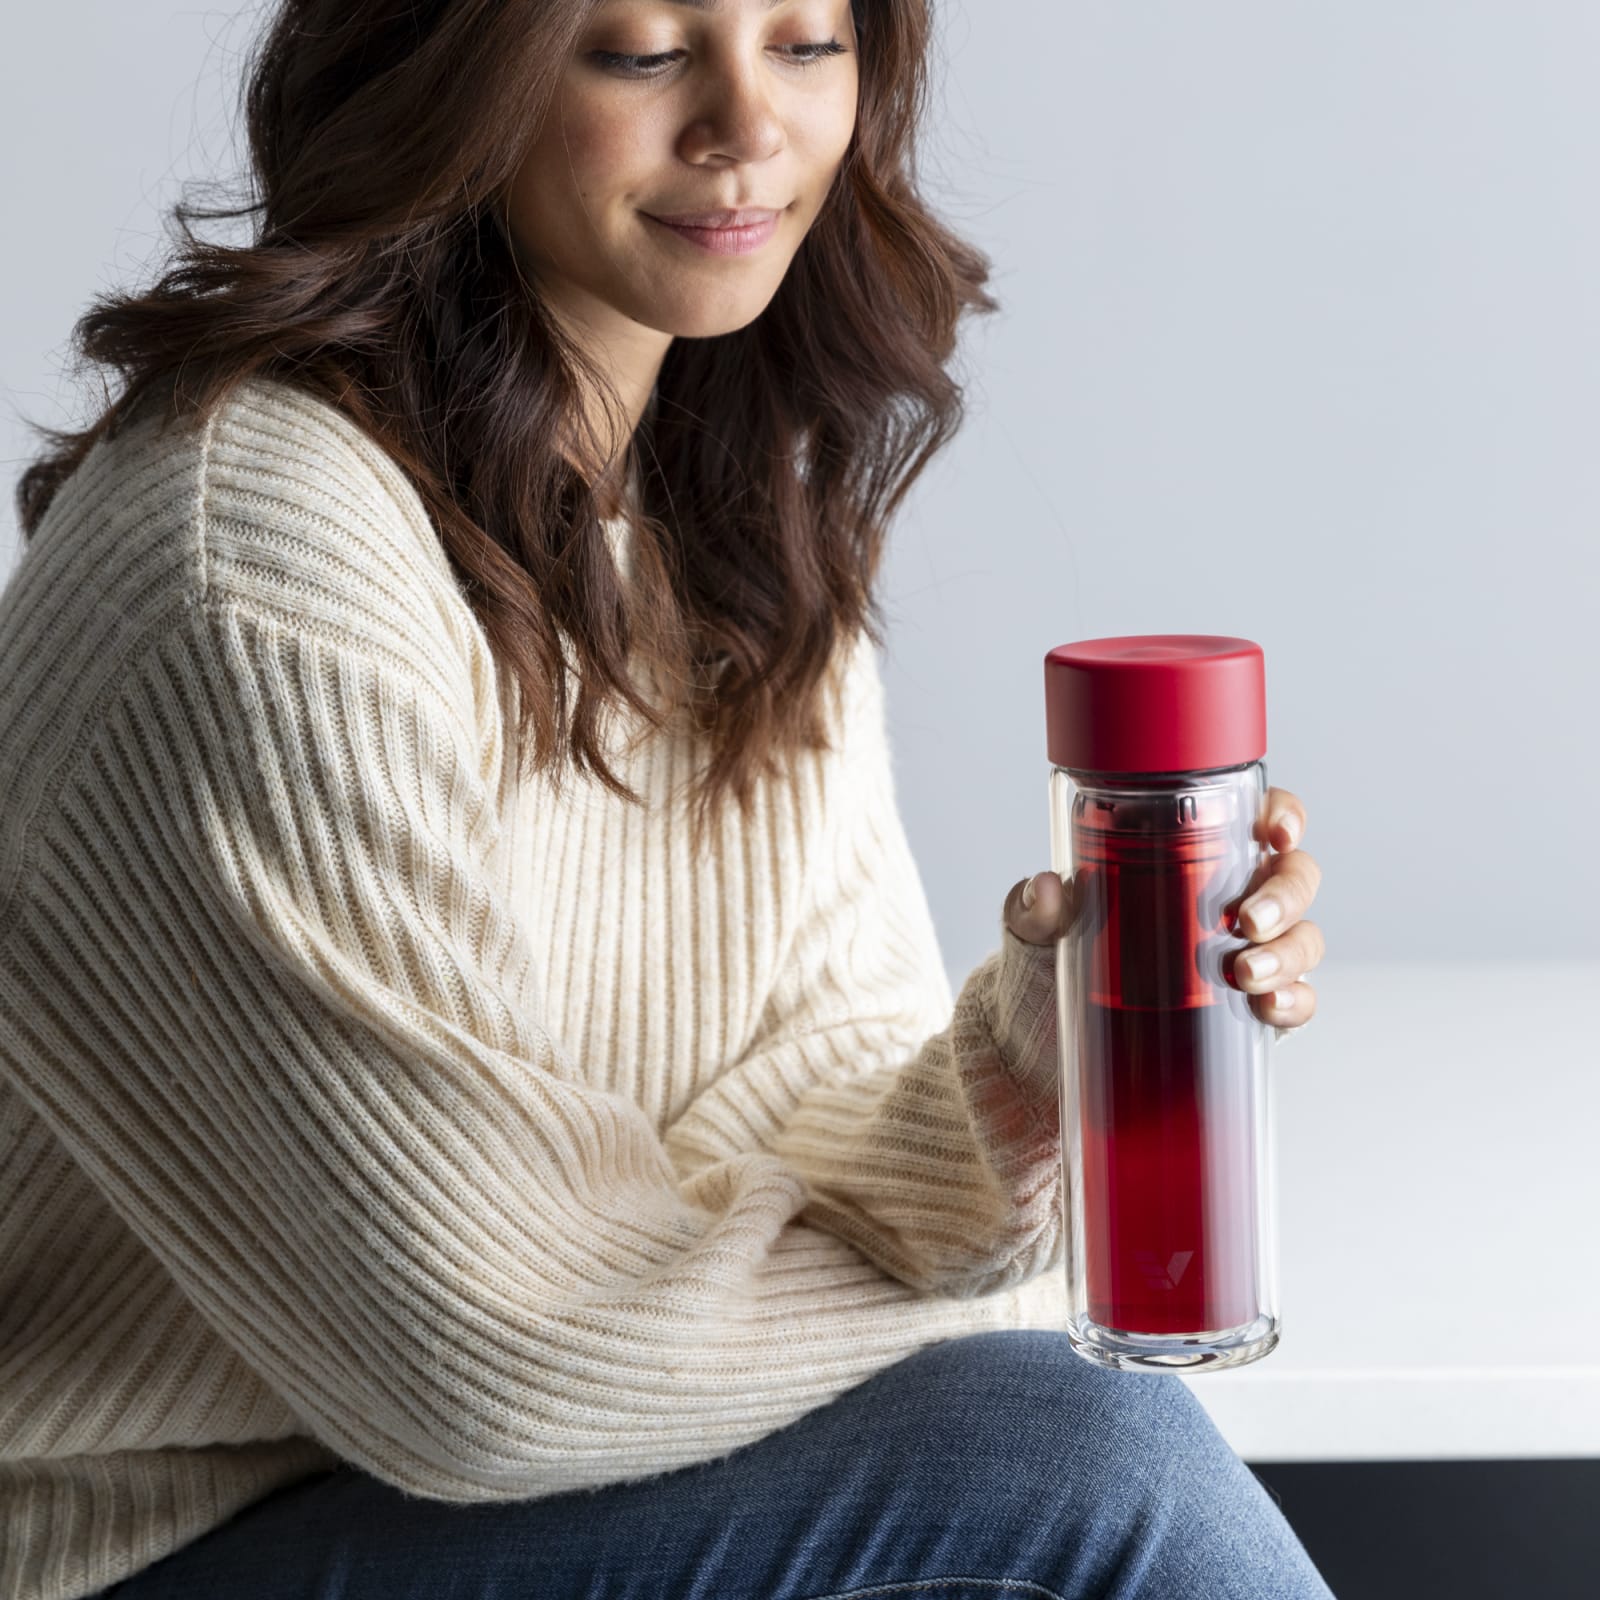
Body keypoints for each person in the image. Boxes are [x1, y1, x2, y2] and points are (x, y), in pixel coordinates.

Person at [0, 2, 1329, 1597]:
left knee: (1072, 1439)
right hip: (142, 1543)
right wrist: (968, 1256)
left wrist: (1038, 1068)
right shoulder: (265, 567)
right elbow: (493, 1360)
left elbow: (808, 1074)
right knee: (1096, 1475)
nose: (748, 126)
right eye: (641, 51)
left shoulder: (721, 506)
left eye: (805, 42)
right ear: (449, 76)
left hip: (511, 1492)